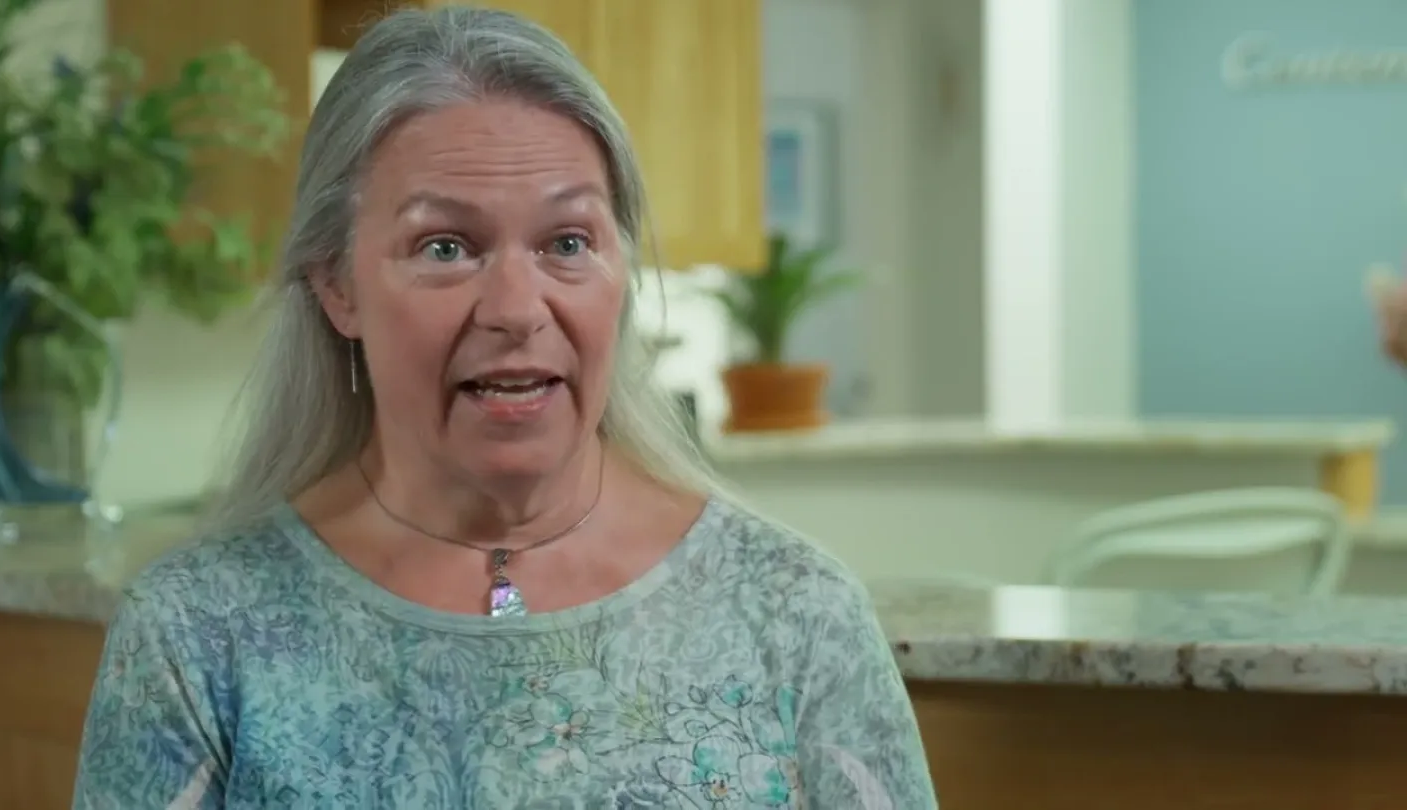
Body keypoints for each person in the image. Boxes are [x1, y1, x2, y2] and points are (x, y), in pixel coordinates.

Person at [72, 7, 936, 808]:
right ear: (336, 284)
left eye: (568, 243)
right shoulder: (198, 634)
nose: (517, 309)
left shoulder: (795, 615)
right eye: (445, 247)